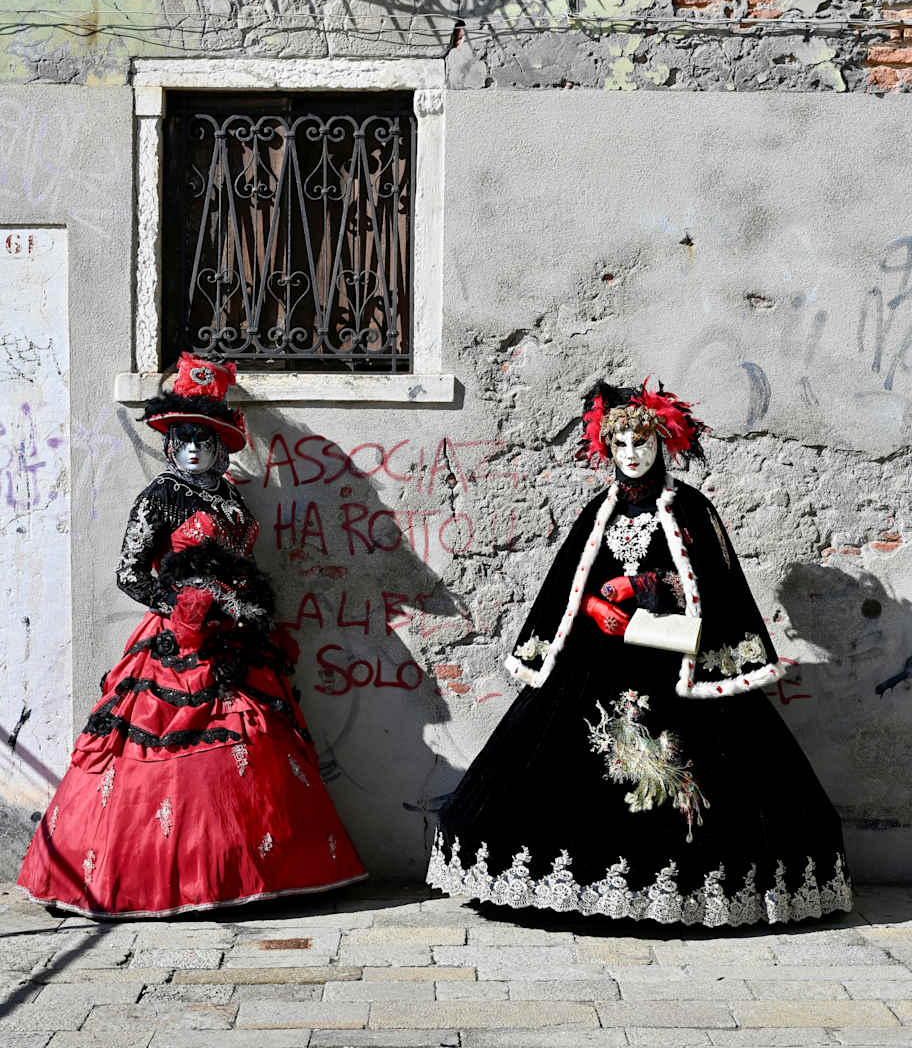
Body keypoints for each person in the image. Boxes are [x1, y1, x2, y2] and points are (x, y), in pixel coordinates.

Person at [427, 380, 851, 926]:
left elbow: (712, 585)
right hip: (598, 657)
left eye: (642, 444)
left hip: (671, 661)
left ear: (662, 445)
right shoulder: (596, 512)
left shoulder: (692, 509)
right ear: (607, 447)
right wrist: (594, 612)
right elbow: (567, 585)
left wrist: (643, 586)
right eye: (621, 445)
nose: (632, 455)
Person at [19, 353, 366, 917]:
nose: (192, 449)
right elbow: (129, 572)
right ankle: (150, 880)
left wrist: (242, 606)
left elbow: (239, 564)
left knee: (249, 739)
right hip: (177, 644)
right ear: (170, 442)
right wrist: (184, 606)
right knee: (162, 751)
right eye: (183, 438)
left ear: (221, 445)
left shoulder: (230, 497)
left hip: (235, 640)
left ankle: (245, 876)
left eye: (203, 439)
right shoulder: (161, 495)